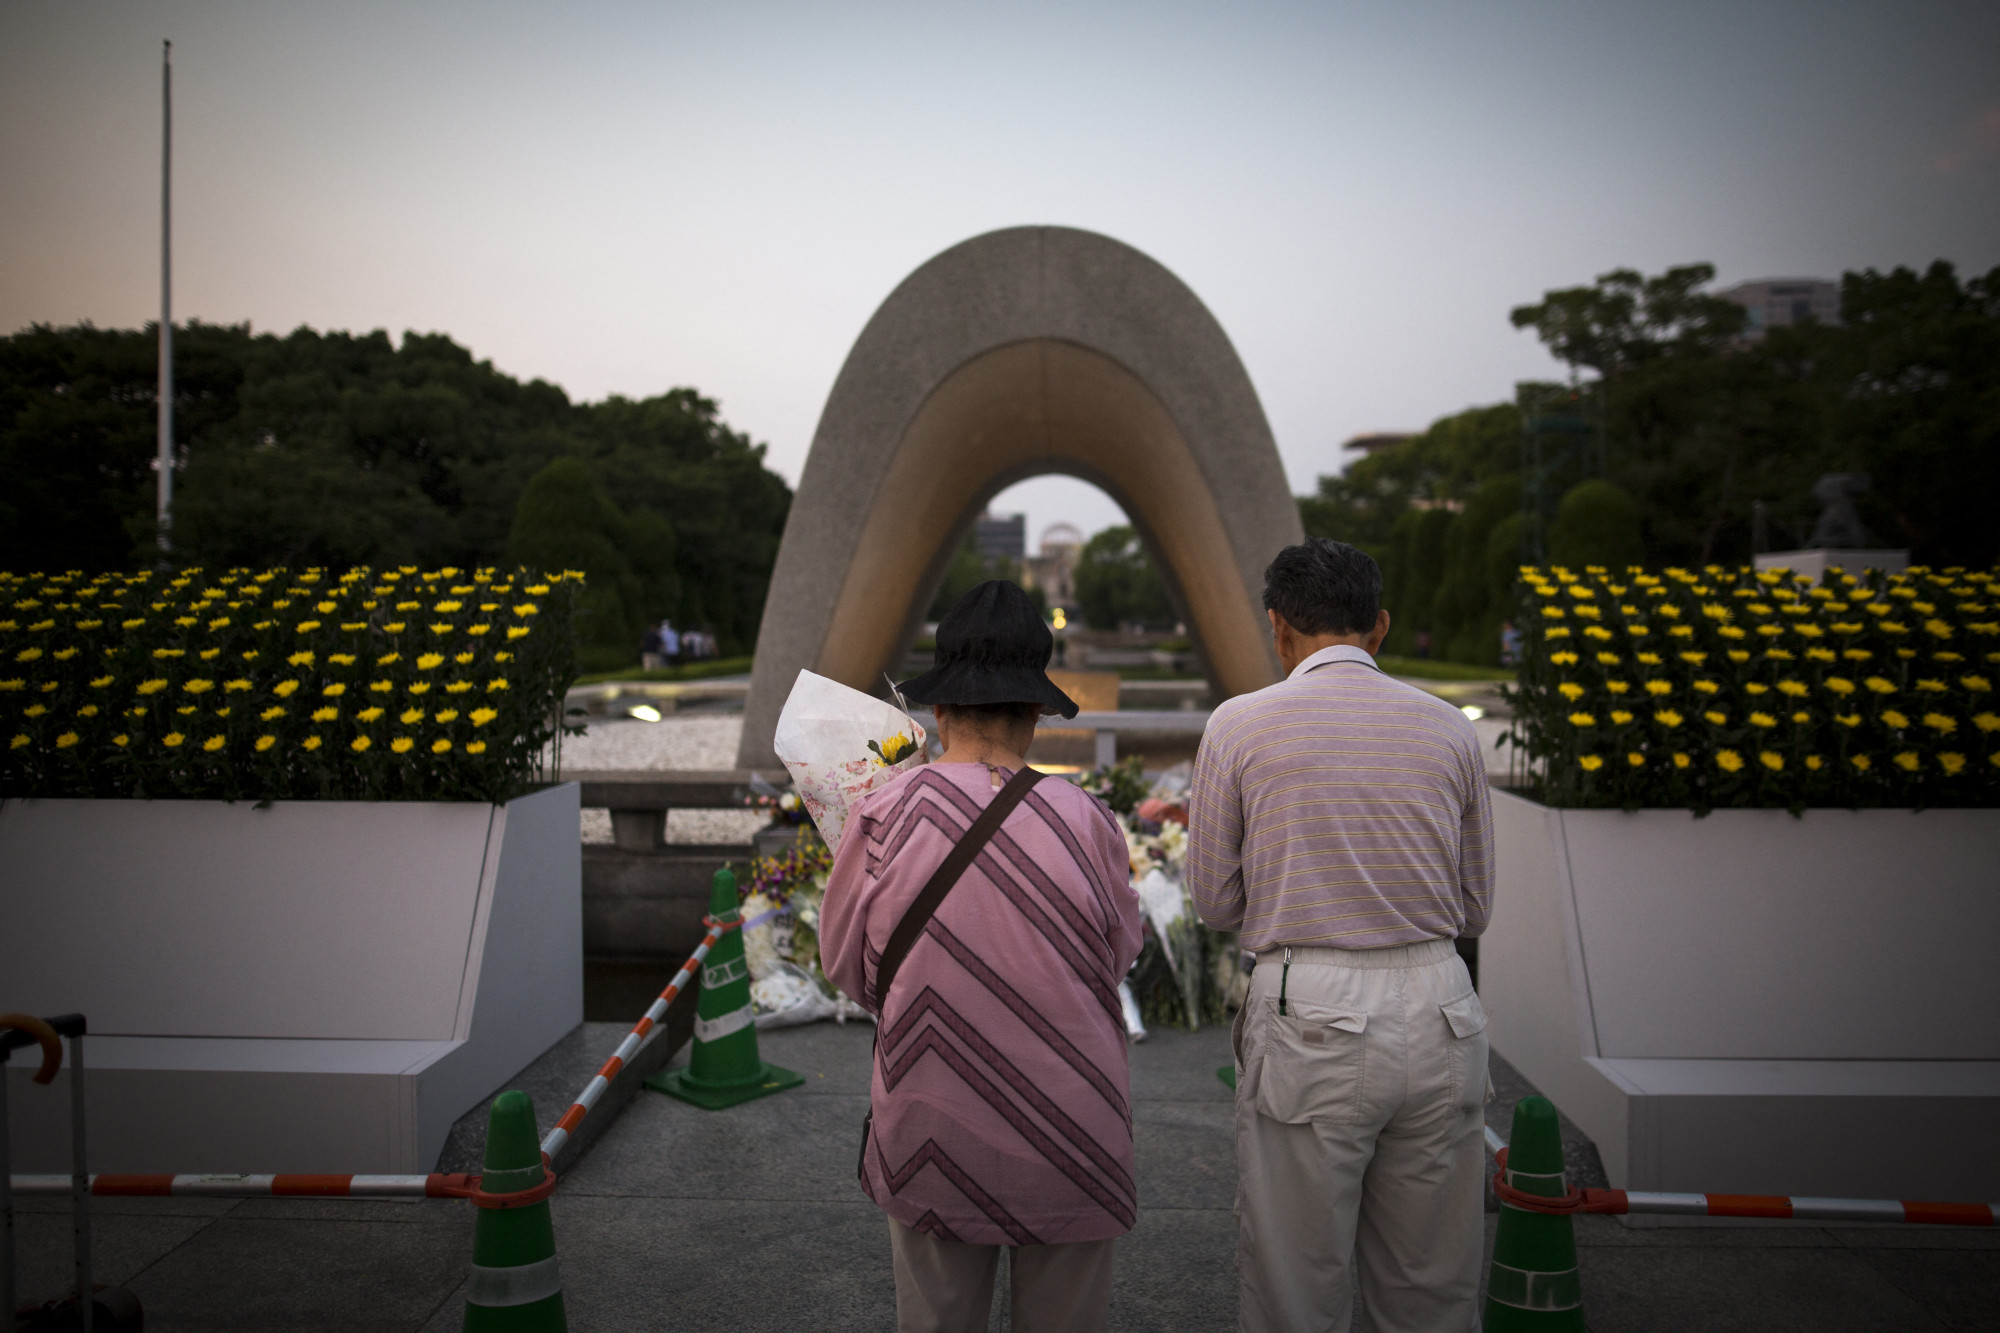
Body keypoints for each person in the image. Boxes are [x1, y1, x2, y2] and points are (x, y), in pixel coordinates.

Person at [1187, 538, 1494, 1333]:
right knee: (1431, 1284)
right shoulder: (1450, 730)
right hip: (1441, 1001)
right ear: (1380, 626)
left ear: (1278, 628)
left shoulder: (1239, 725)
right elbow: (1476, 904)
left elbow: (1213, 900)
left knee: (1298, 1278)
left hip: (1309, 1000)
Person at [821, 580, 1143, 1333]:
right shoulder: (1087, 821)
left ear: (938, 709)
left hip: (933, 1122)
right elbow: (1117, 956)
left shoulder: (882, 814)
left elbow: (846, 965)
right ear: (1035, 709)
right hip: (1073, 1127)